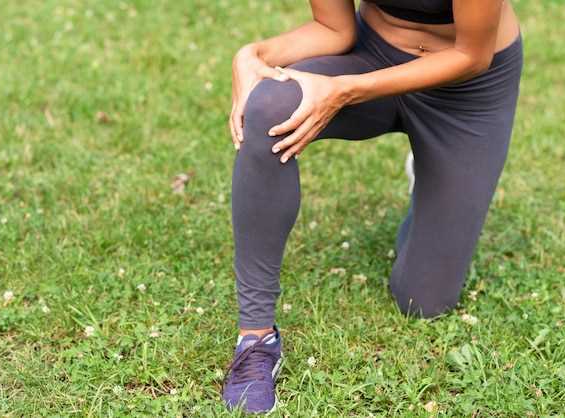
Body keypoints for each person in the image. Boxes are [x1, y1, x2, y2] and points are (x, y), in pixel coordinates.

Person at [223, 0, 522, 413]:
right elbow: (335, 30)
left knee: (423, 301)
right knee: (270, 107)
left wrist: (345, 90)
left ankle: (433, 174)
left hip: (465, 91)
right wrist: (254, 55)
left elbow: (471, 55)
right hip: (373, 52)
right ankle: (255, 338)